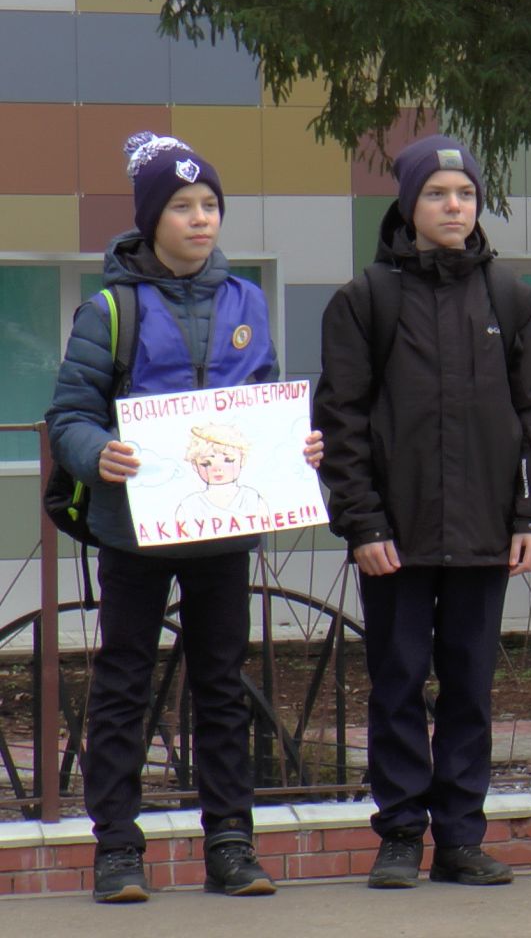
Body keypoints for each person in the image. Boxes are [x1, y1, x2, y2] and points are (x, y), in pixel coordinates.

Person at [47, 132, 322, 903]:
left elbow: (264, 396)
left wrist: (293, 442)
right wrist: (98, 451)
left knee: (222, 686)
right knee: (124, 686)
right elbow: (69, 414)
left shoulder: (247, 301)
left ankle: (231, 845)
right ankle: (118, 852)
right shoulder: (109, 308)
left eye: (210, 206)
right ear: (150, 219)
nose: (201, 220)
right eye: (183, 207)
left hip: (222, 532)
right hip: (134, 531)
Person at [314, 134, 531, 886]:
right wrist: (363, 523)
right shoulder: (365, 299)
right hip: (395, 537)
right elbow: (342, 420)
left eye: (464, 194)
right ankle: (399, 834)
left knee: (469, 687)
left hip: (487, 533)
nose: (453, 207)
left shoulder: (510, 297)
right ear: (408, 204)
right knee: (395, 683)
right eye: (436, 194)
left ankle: (460, 836)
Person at [176, 424, 268, 525]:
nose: (218, 469)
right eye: (206, 463)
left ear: (242, 460)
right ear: (194, 465)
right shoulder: (188, 507)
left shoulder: (252, 499)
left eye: (228, 460)